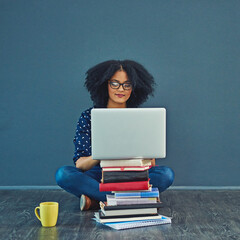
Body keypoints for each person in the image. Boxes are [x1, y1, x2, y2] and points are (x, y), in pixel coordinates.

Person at [55, 60, 174, 211]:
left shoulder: (142, 117)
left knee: (166, 174)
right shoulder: (88, 117)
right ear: (105, 85)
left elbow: (151, 164)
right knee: (64, 174)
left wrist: (144, 156)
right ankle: (136, 199)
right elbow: (80, 164)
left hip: (133, 175)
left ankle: (96, 199)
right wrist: (102, 153)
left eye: (127, 84)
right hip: (99, 175)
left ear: (133, 88)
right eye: (115, 83)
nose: (121, 89)